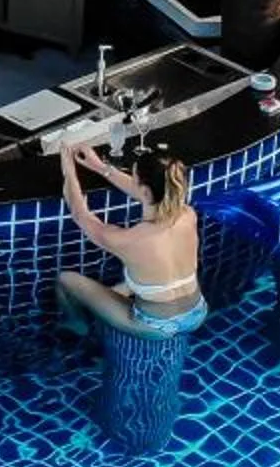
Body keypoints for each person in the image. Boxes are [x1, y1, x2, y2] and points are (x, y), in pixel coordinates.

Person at [57, 143, 205, 337]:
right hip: (197, 312)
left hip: (154, 326)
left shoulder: (128, 239)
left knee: (65, 281)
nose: (131, 180)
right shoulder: (188, 215)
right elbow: (151, 194)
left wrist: (69, 172)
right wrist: (100, 167)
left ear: (145, 191)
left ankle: (78, 325)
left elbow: (79, 214)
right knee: (138, 280)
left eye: (133, 177)